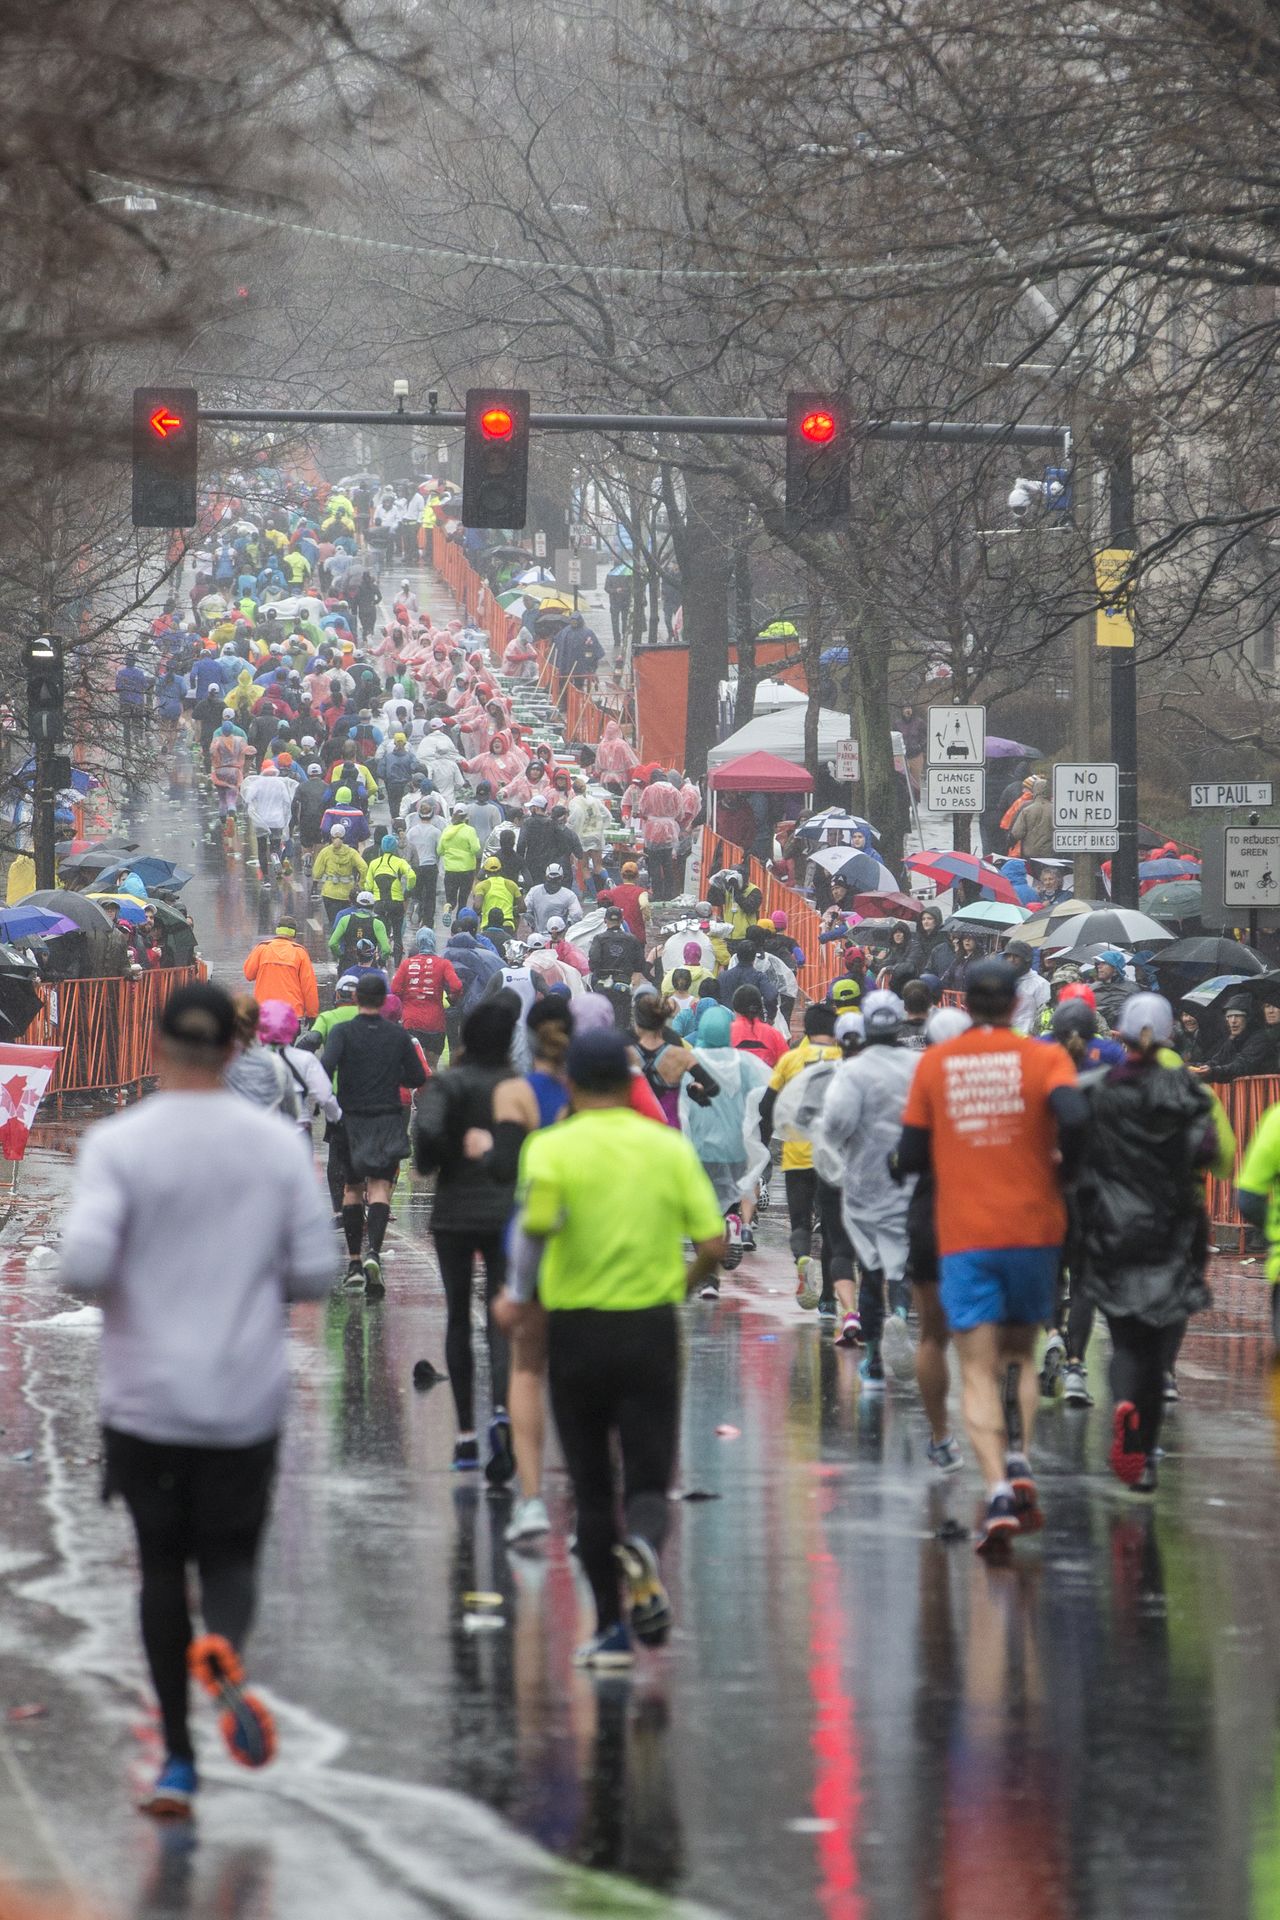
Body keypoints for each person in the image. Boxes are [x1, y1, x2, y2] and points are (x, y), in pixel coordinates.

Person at [58, 982, 335, 1817]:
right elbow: (317, 1269)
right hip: (243, 1396)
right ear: (230, 1049)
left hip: (145, 1399)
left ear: (156, 1045)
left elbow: (82, 1265)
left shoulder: (120, 1144)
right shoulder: (273, 1147)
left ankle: (178, 1760)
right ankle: (223, 1644)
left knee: (159, 1570)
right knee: (229, 1560)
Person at [497, 1030, 725, 1667]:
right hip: (650, 1328)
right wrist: (676, 1286)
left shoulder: (550, 1148)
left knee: (594, 1491)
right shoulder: (666, 1148)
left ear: (569, 1082)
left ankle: (610, 1632)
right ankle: (646, 1547)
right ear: (631, 1084)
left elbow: (534, 1231)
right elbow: (713, 1247)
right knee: (650, 1480)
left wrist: (517, 1297)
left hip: (578, 1333)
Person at [896, 959, 1088, 1552]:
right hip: (1036, 1229)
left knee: (975, 1368)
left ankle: (998, 1487)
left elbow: (908, 1153)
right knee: (1020, 1357)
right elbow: (1078, 1118)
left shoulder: (936, 1064)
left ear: (967, 1004)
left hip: (966, 1235)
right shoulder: (1046, 1057)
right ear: (1013, 1005)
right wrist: (1064, 1171)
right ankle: (1021, 1456)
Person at [1079, 994, 1219, 1493]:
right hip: (1175, 1229)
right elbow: (1210, 1151)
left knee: (1125, 1338)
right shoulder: (1186, 1090)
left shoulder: (1100, 1088)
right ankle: (1148, 1455)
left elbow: (1077, 1147)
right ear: (1169, 1036)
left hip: (1114, 1226)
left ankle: (1122, 1404)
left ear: (1118, 1034)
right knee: (1160, 1341)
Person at [414, 999, 538, 1478]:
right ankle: (504, 1411)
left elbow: (424, 1145)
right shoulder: (517, 1088)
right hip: (507, 1216)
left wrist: (449, 1149)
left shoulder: (449, 1084)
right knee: (502, 1316)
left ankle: (465, 1432)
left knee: (458, 1320)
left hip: (454, 1218)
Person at [822, 992, 921, 1387]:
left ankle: (874, 1359)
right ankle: (899, 1311)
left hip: (864, 1178)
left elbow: (836, 1124)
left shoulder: (854, 1071)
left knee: (870, 1264)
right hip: (910, 1175)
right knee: (900, 1257)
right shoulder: (920, 1064)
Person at [322, 974, 427, 1292]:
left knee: (352, 1190)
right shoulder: (397, 1036)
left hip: (351, 1118)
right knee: (380, 1188)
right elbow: (417, 1076)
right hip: (386, 1117)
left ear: (355, 999)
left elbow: (325, 1067)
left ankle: (353, 1262)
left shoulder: (342, 1032)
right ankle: (374, 1255)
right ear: (383, 1001)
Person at [759, 1004, 845, 1315]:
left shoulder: (790, 1060)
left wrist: (766, 1138)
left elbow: (766, 1107)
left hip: (797, 1155)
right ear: (835, 1031)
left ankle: (801, 1260)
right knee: (834, 1226)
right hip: (834, 1158)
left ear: (806, 1030)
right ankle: (827, 1299)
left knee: (800, 1221)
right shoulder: (844, 1061)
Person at [682, 1005, 768, 1284]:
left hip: (701, 1145)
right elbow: (767, 1092)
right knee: (730, 1195)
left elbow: (679, 1103)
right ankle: (733, 1221)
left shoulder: (691, 1062)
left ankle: (708, 1278)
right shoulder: (744, 1063)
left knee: (701, 1206)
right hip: (736, 1146)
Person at [257, 1000, 342, 1141]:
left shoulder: (251, 1060)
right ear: (292, 1027)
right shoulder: (306, 1059)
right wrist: (337, 1118)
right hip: (298, 1132)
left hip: (263, 1133)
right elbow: (325, 1097)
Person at [389, 928, 462, 1064]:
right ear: (433, 942)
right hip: (435, 1023)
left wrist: (407, 1001)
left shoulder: (407, 964)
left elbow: (394, 989)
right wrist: (451, 999)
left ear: (418, 943)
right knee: (432, 1066)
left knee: (411, 1065)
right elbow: (456, 986)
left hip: (411, 1021)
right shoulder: (443, 964)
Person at [242, 917, 319, 1022]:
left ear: (277, 930)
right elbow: (309, 986)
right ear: (294, 933)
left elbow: (249, 974)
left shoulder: (262, 948)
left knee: (268, 1038)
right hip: (291, 1013)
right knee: (287, 1038)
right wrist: (312, 1014)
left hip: (265, 1011)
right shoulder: (300, 953)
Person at [1194, 994, 1272, 1080]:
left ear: (1248, 1019)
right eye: (1229, 1016)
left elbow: (1243, 1065)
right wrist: (1194, 1067)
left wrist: (1213, 1071)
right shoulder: (1233, 1039)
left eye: (1238, 1016)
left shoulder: (1260, 1038)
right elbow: (1217, 1061)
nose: (1233, 1021)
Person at [365, 833, 417, 961]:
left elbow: (368, 886)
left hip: (379, 903)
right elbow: (412, 876)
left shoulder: (374, 863)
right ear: (395, 848)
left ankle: (381, 961)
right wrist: (408, 889)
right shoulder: (400, 862)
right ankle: (398, 964)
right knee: (397, 933)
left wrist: (373, 891)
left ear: (382, 848)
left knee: (381, 933)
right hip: (396, 903)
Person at [312, 825, 368, 927]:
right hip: (347, 893)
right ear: (344, 837)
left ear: (331, 836)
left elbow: (317, 873)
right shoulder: (352, 852)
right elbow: (364, 867)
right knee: (346, 923)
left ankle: (335, 940)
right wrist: (361, 884)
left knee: (333, 922)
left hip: (329, 893)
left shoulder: (325, 852)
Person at [439, 805, 482, 926]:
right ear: (466, 817)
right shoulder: (470, 830)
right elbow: (476, 849)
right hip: (467, 870)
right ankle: (459, 923)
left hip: (450, 870)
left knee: (451, 899)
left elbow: (439, 850)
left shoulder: (447, 830)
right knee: (463, 900)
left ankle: (448, 908)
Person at [328, 891, 393, 971]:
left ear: (357, 904)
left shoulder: (345, 920)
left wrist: (341, 956)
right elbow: (386, 949)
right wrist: (382, 960)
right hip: (369, 965)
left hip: (348, 963)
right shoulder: (377, 924)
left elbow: (332, 943)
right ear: (373, 906)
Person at [729, 984, 787, 1068]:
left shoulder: (727, 1033)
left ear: (735, 1007)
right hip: (767, 1079)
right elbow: (787, 1066)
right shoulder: (774, 1035)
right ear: (760, 1007)